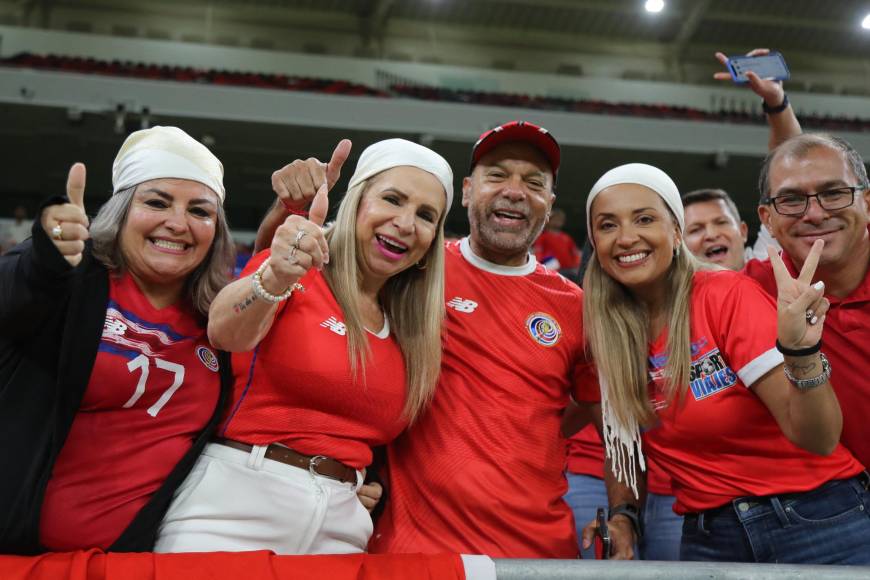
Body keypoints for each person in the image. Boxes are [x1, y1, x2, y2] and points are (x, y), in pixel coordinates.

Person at [154, 138, 453, 555]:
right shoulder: (295, 264)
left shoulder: (414, 331)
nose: (405, 222)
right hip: (232, 507)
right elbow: (224, 332)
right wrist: (275, 275)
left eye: (426, 216)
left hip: (342, 528)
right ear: (356, 204)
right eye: (392, 199)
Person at [580, 162, 870, 564]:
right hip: (710, 536)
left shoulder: (724, 295)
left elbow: (818, 439)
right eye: (608, 225)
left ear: (677, 231)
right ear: (594, 240)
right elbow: (624, 448)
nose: (627, 237)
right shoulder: (605, 331)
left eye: (645, 218)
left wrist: (802, 355)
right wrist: (625, 516)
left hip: (816, 519)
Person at [365, 121, 597, 558]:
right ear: (468, 190)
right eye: (497, 175)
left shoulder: (575, 305)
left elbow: (595, 404)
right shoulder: (412, 270)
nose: (514, 191)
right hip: (418, 549)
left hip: (536, 550)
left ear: (549, 203)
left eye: (533, 182)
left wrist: (531, 428)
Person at [0, 126, 234, 554]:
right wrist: (47, 252)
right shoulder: (71, 280)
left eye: (200, 211)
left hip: (140, 561)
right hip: (21, 557)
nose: (178, 223)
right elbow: (15, 295)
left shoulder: (219, 318)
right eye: (157, 202)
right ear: (121, 211)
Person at [744, 133, 870, 473]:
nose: (814, 214)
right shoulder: (747, 292)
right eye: (791, 200)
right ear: (767, 219)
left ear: (867, 202)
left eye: (833, 193)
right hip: (825, 511)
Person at [682, 188, 749, 271]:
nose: (711, 235)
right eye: (696, 230)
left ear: (743, 231)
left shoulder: (768, 273)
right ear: (680, 246)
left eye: (721, 223)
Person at [533, 207, 582, 279]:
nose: (558, 221)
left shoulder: (566, 237)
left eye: (560, 220)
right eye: (555, 219)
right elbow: (538, 253)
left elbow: (575, 253)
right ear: (548, 220)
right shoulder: (542, 237)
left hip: (569, 271)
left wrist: (577, 266)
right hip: (551, 271)